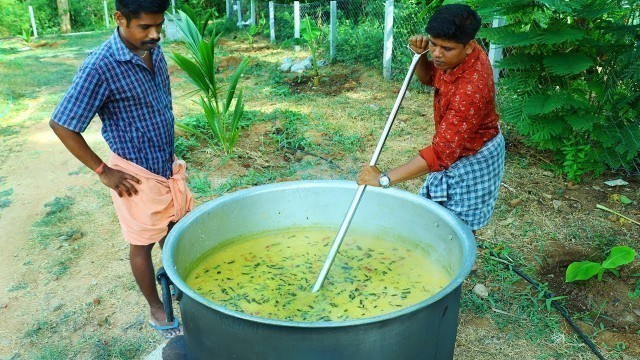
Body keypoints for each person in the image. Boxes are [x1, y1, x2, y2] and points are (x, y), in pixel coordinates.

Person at [49, 0, 193, 339]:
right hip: (133, 174)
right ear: (120, 19)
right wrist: (103, 171)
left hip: (165, 165)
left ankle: (178, 287)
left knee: (176, 228)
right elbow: (62, 124)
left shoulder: (152, 50)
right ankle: (157, 309)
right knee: (142, 243)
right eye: (145, 26)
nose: (155, 34)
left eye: (159, 26)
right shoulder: (100, 65)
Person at [357, 4, 505, 232]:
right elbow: (429, 78)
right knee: (437, 219)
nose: (436, 53)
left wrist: (384, 179)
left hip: (475, 155)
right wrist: (420, 55)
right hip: (456, 147)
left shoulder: (471, 89)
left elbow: (440, 154)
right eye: (433, 44)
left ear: (469, 47)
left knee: (457, 228)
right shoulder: (455, 56)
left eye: (446, 48)